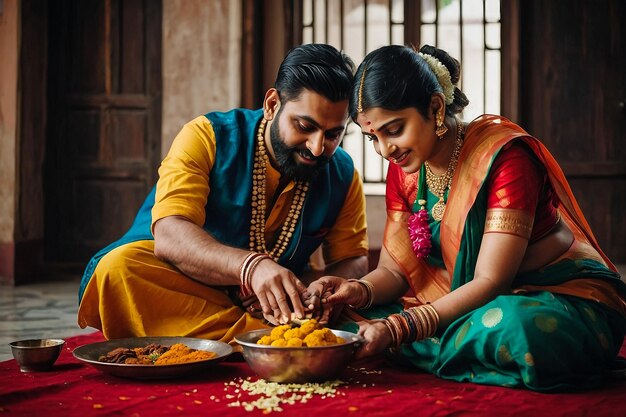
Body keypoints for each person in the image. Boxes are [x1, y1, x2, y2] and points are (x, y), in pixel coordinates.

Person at [306, 44, 626, 391]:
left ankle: (428, 343)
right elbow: (395, 271)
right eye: (373, 138)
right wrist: (356, 290)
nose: (385, 150)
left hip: (552, 294)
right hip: (463, 302)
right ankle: (445, 344)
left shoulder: (505, 159)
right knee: (346, 320)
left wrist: (401, 328)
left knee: (518, 329)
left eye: (394, 130)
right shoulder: (406, 170)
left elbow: (490, 281)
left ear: (435, 107)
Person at [77, 44, 369, 342]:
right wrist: (251, 269)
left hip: (274, 304)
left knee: (369, 304)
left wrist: (308, 290)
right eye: (305, 126)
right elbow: (169, 233)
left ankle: (258, 335)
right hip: (189, 285)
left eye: (333, 134)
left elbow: (354, 259)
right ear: (271, 105)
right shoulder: (207, 136)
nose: (317, 147)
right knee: (119, 268)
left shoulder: (342, 173)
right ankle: (271, 338)